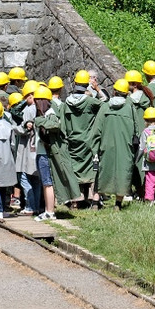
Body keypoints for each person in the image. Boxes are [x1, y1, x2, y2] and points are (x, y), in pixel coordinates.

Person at [34, 86, 80, 221]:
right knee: (46, 182)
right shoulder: (45, 113)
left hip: (45, 154)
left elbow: (55, 125)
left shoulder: (49, 113)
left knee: (47, 183)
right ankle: (48, 210)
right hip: (42, 152)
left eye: (37, 100)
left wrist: (38, 121)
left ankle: (50, 211)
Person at [91, 79, 136, 210]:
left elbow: (96, 130)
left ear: (114, 91)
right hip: (125, 147)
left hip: (106, 146)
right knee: (123, 172)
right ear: (126, 94)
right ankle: (118, 204)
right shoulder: (129, 108)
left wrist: (95, 149)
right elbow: (137, 130)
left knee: (102, 171)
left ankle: (95, 202)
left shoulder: (105, 107)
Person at [61, 70, 103, 207]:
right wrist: (97, 89)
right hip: (88, 140)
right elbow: (105, 103)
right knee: (91, 170)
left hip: (72, 141)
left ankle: (75, 200)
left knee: (74, 169)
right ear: (87, 84)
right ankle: (93, 201)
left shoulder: (66, 103)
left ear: (75, 83)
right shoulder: (91, 101)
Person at [15, 80, 40, 215]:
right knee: (36, 179)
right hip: (37, 147)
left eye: (26, 97)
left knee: (24, 177)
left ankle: (30, 205)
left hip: (27, 147)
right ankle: (36, 206)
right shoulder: (42, 107)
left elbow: (24, 129)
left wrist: (15, 129)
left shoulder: (29, 110)